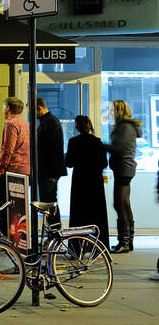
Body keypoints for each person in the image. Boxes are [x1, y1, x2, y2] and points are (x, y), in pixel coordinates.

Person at [65, 115, 109, 248]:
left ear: (77, 127)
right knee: (96, 214)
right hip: (95, 183)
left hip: (80, 182)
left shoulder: (73, 142)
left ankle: (77, 247)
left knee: (79, 214)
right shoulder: (98, 142)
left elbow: (69, 163)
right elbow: (104, 163)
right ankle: (98, 246)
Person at [107, 99, 142, 253]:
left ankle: (125, 242)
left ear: (119, 111)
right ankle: (128, 241)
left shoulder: (125, 127)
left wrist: (99, 144)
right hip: (124, 169)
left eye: (112, 109)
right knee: (125, 204)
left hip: (123, 168)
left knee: (119, 204)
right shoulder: (126, 127)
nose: (110, 112)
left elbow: (118, 149)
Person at [0, 97, 31, 240]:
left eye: (4, 107)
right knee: (19, 208)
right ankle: (19, 239)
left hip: (12, 171)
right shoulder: (27, 124)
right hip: (26, 171)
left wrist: (2, 165)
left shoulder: (11, 124)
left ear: (8, 108)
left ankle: (5, 238)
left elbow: (8, 149)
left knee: (4, 206)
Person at [35, 98, 67, 230]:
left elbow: (48, 148)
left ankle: (54, 230)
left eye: (33, 111)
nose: (33, 115)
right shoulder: (49, 121)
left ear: (39, 108)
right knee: (49, 200)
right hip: (49, 170)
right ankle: (52, 230)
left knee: (49, 201)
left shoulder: (50, 122)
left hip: (49, 170)